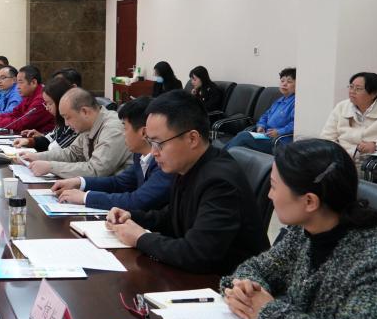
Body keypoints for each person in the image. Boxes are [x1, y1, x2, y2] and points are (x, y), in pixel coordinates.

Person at [222, 139, 377, 319]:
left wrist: (266, 311)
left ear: (309, 201)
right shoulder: (307, 228)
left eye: (274, 186)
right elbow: (255, 269)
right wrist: (248, 291)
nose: (270, 195)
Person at [105, 90, 269, 274]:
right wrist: (132, 217)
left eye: (159, 143)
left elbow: (197, 253)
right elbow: (174, 215)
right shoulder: (189, 164)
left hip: (229, 282)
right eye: (150, 142)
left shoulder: (220, 181)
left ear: (192, 138)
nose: (154, 152)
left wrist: (140, 238)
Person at [50, 97, 173, 211]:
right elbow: (120, 183)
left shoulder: (166, 163)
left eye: (125, 128)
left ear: (144, 133)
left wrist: (86, 197)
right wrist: (80, 182)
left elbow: (137, 201)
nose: (123, 134)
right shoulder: (140, 155)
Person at [22, 87, 132, 178]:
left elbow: (96, 170)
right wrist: (35, 156)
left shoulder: (113, 129)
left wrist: (51, 167)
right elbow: (72, 153)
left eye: (68, 117)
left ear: (84, 112)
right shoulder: (89, 125)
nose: (66, 124)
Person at [321, 72, 377, 164]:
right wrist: (340, 154)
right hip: (342, 161)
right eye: (351, 87)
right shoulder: (342, 107)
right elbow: (327, 138)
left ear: (374, 93)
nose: (352, 91)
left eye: (358, 89)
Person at [226, 68, 296, 153]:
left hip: (279, 141)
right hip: (266, 136)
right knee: (241, 136)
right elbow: (265, 116)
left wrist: (279, 132)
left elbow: (295, 124)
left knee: (243, 137)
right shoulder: (279, 100)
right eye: (282, 81)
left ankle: (220, 157)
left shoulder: (296, 103)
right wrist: (261, 126)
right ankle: (220, 156)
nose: (284, 84)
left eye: (289, 81)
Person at [14, 77, 76, 151]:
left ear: (60, 101)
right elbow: (49, 139)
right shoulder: (60, 120)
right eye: (45, 104)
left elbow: (54, 148)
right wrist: (28, 141)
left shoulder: (73, 123)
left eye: (49, 103)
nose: (47, 108)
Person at [0, 65, 55, 134]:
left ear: (33, 82)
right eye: (17, 83)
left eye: (20, 82)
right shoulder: (29, 95)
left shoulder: (41, 99)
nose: (17, 87)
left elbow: (23, 124)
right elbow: (15, 113)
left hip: (43, 138)